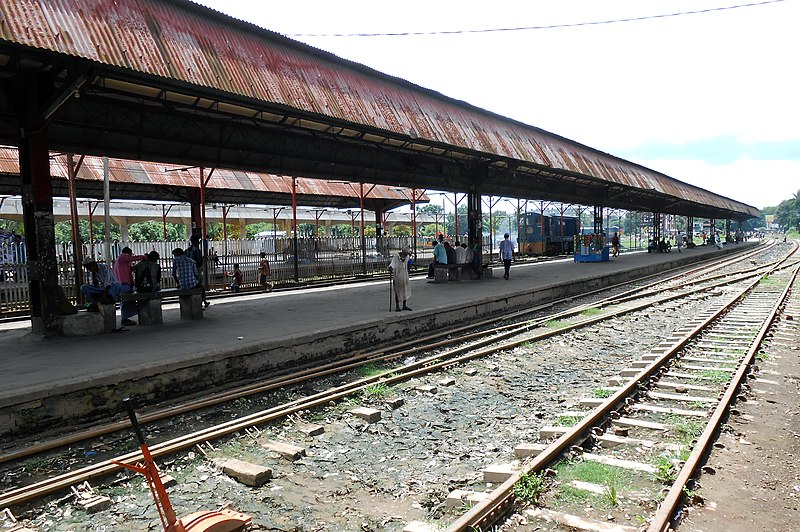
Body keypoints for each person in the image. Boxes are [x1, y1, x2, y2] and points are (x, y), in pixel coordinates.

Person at [113, 246, 146, 326]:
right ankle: (124, 319)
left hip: (124, 283)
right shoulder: (123, 257)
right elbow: (132, 258)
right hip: (124, 283)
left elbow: (130, 269)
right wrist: (144, 257)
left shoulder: (121, 261)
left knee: (128, 301)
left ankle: (125, 318)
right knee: (126, 300)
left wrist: (136, 266)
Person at [185, 234, 209, 308]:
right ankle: (202, 301)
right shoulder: (197, 250)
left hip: (189, 271)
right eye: (198, 241)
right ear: (196, 241)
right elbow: (199, 261)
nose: (199, 242)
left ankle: (203, 301)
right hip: (196, 270)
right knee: (199, 286)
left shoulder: (187, 250)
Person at [388, 247, 412, 311]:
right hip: (398, 276)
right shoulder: (396, 257)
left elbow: (409, 262)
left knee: (405, 290)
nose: (406, 255)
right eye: (406, 253)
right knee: (397, 291)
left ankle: (404, 305)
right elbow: (392, 264)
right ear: (403, 252)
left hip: (405, 276)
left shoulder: (407, 257)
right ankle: (397, 306)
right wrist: (391, 268)